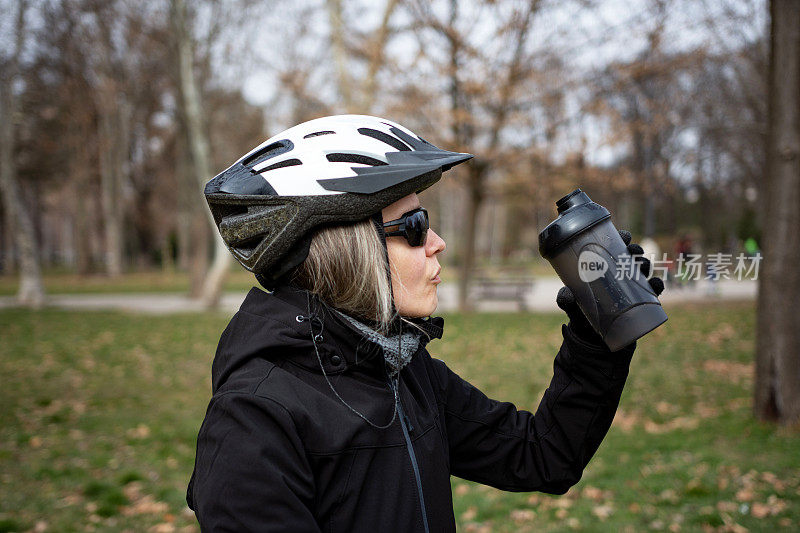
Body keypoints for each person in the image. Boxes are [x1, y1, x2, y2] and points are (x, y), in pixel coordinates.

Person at [186, 115, 664, 532]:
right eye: (413, 226)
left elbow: (542, 455)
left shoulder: (402, 370)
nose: (437, 243)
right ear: (349, 249)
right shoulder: (253, 420)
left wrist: (595, 332)